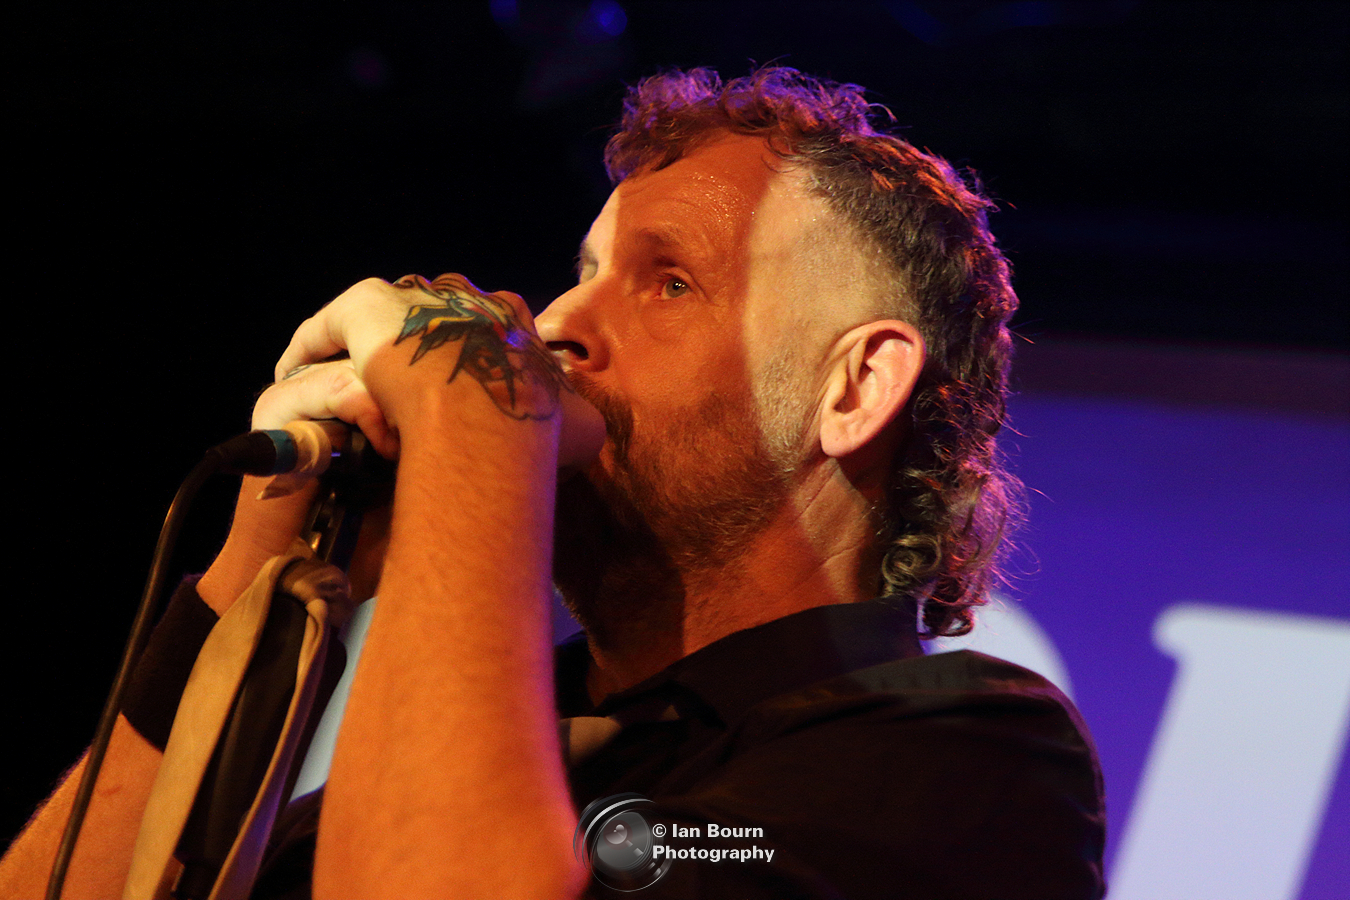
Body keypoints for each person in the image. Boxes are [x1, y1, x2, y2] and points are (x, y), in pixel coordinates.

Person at [1, 66, 1105, 899]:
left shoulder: (972, 761)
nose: (559, 322)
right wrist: (259, 561)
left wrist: (472, 430)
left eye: (668, 283)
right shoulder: (486, 749)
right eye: (580, 276)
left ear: (853, 388)